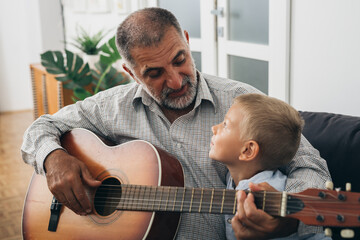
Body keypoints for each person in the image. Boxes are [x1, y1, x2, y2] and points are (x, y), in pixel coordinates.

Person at [21, 7, 331, 239]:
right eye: (154, 73)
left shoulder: (241, 102)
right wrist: (54, 158)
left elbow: (310, 165)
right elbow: (40, 129)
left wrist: (285, 219)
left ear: (186, 41)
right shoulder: (109, 107)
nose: (175, 80)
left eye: (180, 59)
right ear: (131, 73)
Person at [209, 93, 330, 240]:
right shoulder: (232, 177)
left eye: (225, 125)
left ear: (248, 150)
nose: (214, 128)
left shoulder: (271, 198)